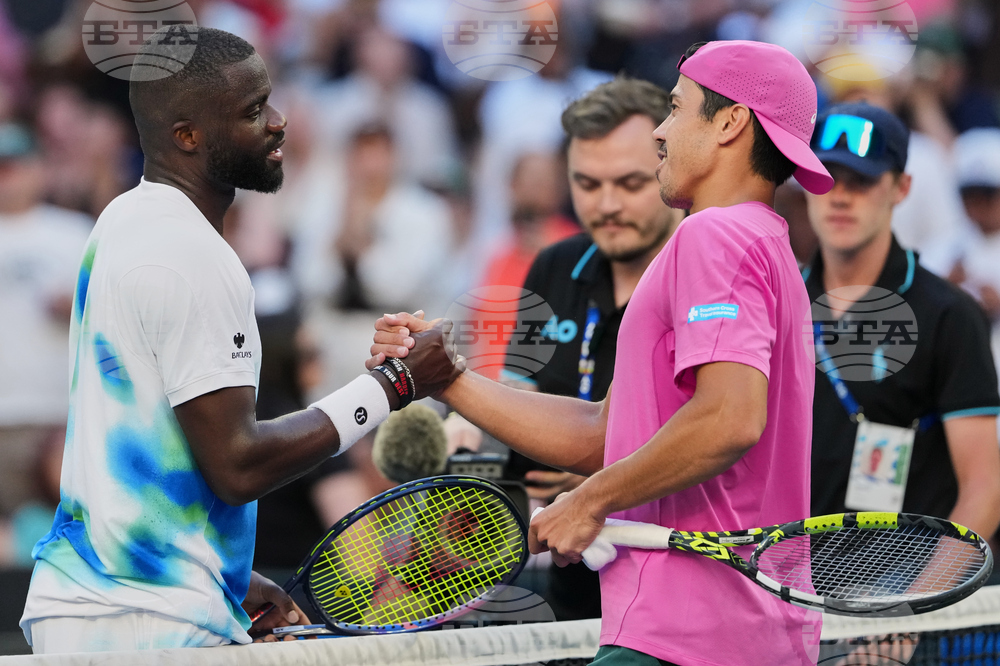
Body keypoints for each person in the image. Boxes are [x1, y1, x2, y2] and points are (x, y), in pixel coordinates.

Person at [371, 40, 834, 665]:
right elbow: (604, 432)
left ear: (730, 123)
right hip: (728, 635)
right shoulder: (763, 239)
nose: (662, 132)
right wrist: (450, 380)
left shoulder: (715, 233)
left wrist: (589, 500)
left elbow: (731, 419)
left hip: (687, 636)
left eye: (676, 108)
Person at [19, 27, 460, 654]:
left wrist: (219, 571)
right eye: (254, 111)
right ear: (188, 136)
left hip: (97, 606)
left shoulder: (122, 219)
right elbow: (236, 462)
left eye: (270, 102)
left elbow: (151, 445)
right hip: (149, 626)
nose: (279, 123)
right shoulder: (193, 253)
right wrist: (393, 386)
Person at [501, 77, 681, 621]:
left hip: (678, 586)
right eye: (586, 183)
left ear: (668, 164)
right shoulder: (555, 266)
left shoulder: (706, 273)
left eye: (629, 183)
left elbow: (727, 437)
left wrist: (602, 487)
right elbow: (515, 401)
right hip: (569, 589)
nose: (606, 205)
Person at [804, 103, 1000, 539]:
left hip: (907, 586)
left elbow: (984, 490)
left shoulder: (950, 314)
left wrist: (920, 602)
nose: (840, 195)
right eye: (826, 178)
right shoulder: (776, 300)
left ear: (902, 188)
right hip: (789, 585)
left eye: (862, 180)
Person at [0, 122, 93, 542]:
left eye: (14, 166)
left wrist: (75, 306)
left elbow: (114, 311)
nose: (7, 178)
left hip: (58, 414)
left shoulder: (74, 232)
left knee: (67, 534)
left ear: (38, 169)